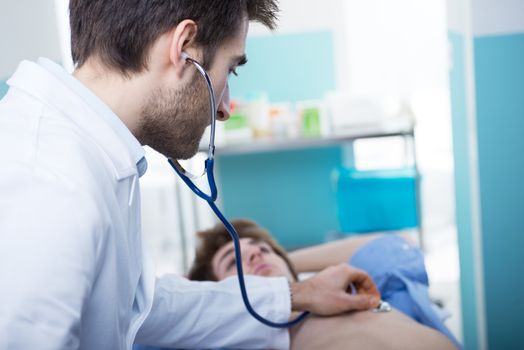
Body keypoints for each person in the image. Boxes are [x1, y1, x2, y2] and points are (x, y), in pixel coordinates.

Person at [0, 1, 381, 349]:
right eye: (228, 70)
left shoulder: (90, 152)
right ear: (183, 49)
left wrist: (299, 293)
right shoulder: (47, 183)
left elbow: (140, 308)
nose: (225, 107)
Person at [174, 219, 461, 350]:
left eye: (262, 249)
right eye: (232, 261)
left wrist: (284, 261)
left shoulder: (349, 293)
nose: (254, 253)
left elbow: (398, 247)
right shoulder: (240, 341)